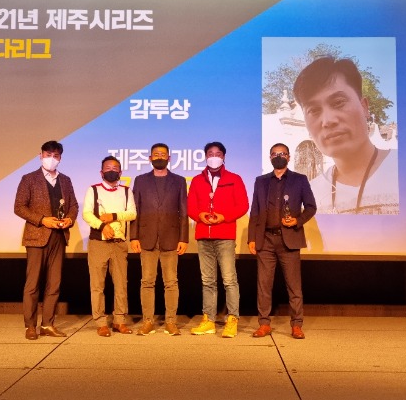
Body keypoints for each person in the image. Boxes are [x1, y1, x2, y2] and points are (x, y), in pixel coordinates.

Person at [293, 56, 399, 215]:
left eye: (338, 103)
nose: (328, 121)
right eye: (314, 110)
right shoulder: (308, 198)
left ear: (364, 107)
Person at [247, 143, 317, 339]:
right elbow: (255, 211)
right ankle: (264, 324)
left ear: (289, 157)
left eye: (282, 154)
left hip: (290, 239)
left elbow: (311, 207)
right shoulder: (261, 181)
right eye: (275, 154)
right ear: (270, 157)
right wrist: (251, 238)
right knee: (264, 285)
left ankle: (297, 325)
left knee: (294, 286)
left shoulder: (299, 180)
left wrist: (297, 221)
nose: (278, 156)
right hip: (265, 239)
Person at [14, 140, 79, 340]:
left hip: (59, 236)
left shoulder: (65, 180)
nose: (51, 158)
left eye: (56, 155)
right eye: (48, 154)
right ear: (40, 155)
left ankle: (48, 324)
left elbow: (73, 206)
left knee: (54, 283)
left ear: (60, 158)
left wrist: (69, 219)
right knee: (33, 284)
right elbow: (19, 207)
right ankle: (30, 326)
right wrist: (43, 220)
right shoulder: (29, 179)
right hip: (36, 237)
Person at [187, 141, 249, 338]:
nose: (214, 157)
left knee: (229, 280)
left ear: (224, 157)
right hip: (203, 236)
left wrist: (224, 217)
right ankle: (209, 320)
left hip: (225, 235)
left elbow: (243, 205)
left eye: (218, 153)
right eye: (210, 153)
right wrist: (199, 215)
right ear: (206, 156)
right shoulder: (197, 180)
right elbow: (190, 206)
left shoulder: (234, 179)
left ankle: (232, 319)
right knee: (207, 281)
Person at [130, 142, 189, 336]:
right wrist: (134, 236)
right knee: (147, 281)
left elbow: (183, 212)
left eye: (163, 154)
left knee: (171, 282)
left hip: (171, 238)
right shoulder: (140, 180)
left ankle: (171, 322)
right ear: (150, 158)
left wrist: (184, 238)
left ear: (169, 158)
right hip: (146, 237)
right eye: (156, 154)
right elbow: (135, 210)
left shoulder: (179, 181)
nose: (159, 157)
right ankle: (148, 321)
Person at [82, 155, 137, 337]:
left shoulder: (126, 191)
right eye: (108, 168)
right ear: (101, 172)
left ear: (120, 172)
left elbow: (132, 213)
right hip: (98, 242)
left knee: (121, 283)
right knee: (97, 285)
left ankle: (119, 320)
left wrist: (113, 216)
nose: (111, 171)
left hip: (119, 243)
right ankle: (100, 322)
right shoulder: (93, 190)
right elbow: (87, 214)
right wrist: (102, 226)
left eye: (115, 168)